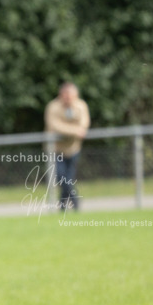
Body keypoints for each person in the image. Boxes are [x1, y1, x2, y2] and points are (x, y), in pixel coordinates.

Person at [45, 81, 90, 211]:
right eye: (66, 95)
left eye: (71, 95)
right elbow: (55, 126)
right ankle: (75, 204)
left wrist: (78, 129)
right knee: (63, 179)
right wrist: (75, 131)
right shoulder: (53, 107)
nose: (68, 98)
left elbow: (84, 123)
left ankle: (63, 207)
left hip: (74, 149)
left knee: (68, 179)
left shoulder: (81, 106)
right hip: (56, 150)